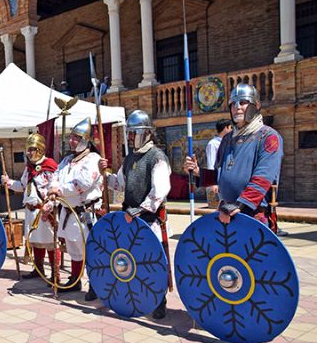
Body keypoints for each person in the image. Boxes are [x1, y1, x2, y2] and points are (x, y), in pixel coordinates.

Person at [99, 110, 172, 319]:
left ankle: (160, 301)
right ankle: (140, 298)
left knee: (154, 262)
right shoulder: (130, 158)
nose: (130, 137)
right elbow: (120, 184)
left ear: (146, 132)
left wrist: (139, 210)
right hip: (130, 219)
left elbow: (160, 190)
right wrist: (106, 174)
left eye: (134, 133)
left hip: (150, 219)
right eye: (129, 133)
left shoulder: (157, 157)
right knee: (135, 262)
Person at [185, 83, 283, 228]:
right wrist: (199, 173)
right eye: (233, 104)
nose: (237, 107)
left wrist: (239, 205)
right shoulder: (227, 139)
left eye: (243, 103)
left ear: (256, 105)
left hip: (253, 214)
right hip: (226, 213)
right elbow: (221, 175)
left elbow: (263, 177)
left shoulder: (268, 137)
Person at [46, 118, 102, 294]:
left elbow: (83, 182)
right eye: (71, 137)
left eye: (76, 138)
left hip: (85, 213)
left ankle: (95, 284)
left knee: (89, 250)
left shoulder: (93, 158)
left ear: (86, 140)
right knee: (73, 249)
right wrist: (53, 190)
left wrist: (59, 190)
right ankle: (75, 279)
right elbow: (55, 177)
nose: (71, 141)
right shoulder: (67, 160)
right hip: (68, 212)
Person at [2, 133, 58, 280]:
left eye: (32, 149)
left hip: (44, 211)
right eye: (28, 149)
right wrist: (8, 182)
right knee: (35, 242)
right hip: (30, 211)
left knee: (50, 243)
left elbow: (56, 189)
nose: (29, 152)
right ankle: (38, 271)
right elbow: (22, 185)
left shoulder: (49, 167)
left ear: (40, 149)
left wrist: (50, 206)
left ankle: (55, 275)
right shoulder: (29, 169)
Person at [205, 119, 233, 208]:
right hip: (218, 179)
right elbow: (211, 162)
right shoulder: (213, 144)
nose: (232, 130)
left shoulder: (229, 142)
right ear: (226, 128)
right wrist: (213, 182)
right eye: (231, 127)